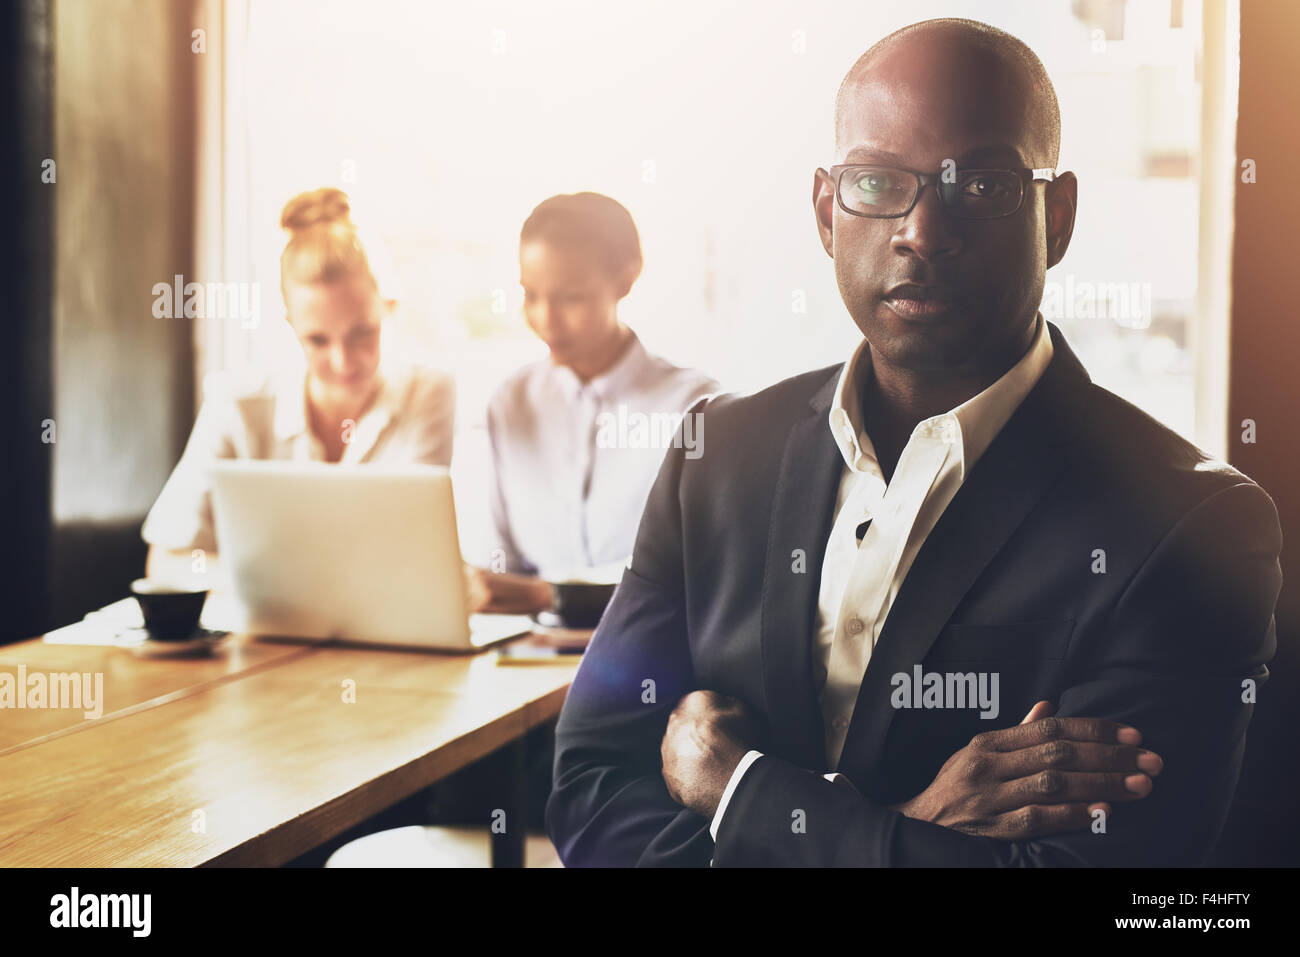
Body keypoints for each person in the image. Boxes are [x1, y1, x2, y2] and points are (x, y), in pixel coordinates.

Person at [546, 19, 1283, 866]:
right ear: (827, 212)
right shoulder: (715, 452)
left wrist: (735, 789)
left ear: (1060, 214)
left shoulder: (1191, 526)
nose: (924, 231)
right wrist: (908, 825)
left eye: (983, 185)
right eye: (875, 181)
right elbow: (591, 780)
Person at [142, 188, 455, 583]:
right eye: (318, 340)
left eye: (362, 333)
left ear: (387, 310)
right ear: (291, 326)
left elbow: (413, 556)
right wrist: (276, 586)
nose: (343, 362)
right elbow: (168, 559)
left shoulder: (428, 393)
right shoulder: (237, 402)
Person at [467, 192, 719, 615]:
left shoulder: (693, 406)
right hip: (523, 659)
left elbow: (696, 578)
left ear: (625, 279)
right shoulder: (510, 403)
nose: (545, 319)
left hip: (650, 659)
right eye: (530, 296)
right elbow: (496, 570)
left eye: (570, 298)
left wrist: (548, 597)